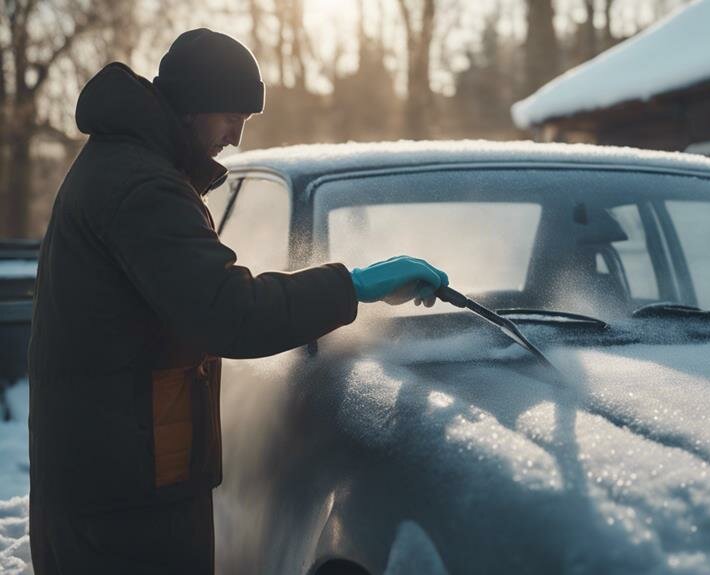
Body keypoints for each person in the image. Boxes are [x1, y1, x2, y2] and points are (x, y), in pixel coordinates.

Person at [27, 28, 447, 574]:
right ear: (193, 103)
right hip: (124, 504)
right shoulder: (142, 188)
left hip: (109, 476)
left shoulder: (124, 167)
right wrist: (355, 285)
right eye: (232, 116)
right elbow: (231, 313)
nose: (237, 136)